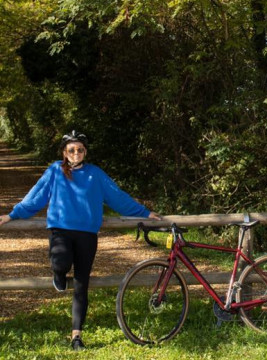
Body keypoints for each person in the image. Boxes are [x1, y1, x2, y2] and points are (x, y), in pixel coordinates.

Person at [0, 130, 161, 351]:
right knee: (60, 263)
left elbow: (117, 196)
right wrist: (12, 214)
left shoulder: (96, 174)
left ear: (85, 151)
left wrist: (144, 213)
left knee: (81, 284)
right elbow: (36, 197)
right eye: (71, 150)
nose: (76, 153)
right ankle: (58, 274)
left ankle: (76, 336)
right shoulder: (55, 171)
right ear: (64, 153)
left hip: (87, 234)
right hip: (61, 232)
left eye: (80, 149)